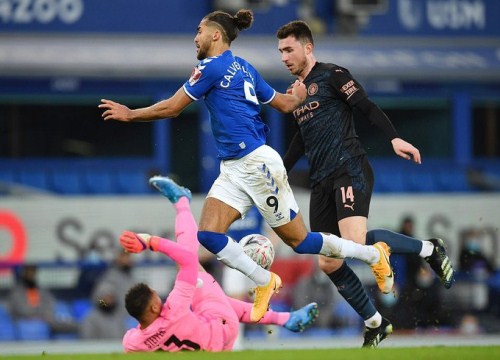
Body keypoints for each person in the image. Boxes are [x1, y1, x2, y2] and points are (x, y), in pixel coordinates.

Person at [99, 8, 393, 323]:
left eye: (199, 31)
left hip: (257, 164)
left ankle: (374, 254)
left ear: (215, 34)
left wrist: (131, 114)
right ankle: (265, 280)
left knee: (301, 242)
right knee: (208, 236)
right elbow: (282, 104)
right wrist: (296, 98)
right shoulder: (245, 67)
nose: (195, 37)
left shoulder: (209, 67)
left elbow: (172, 108)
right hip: (234, 168)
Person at [275, 20, 456, 347]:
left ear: (308, 47)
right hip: (320, 182)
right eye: (281, 51)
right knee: (328, 260)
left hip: (348, 168)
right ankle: (376, 322)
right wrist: (279, 171)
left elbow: (366, 106)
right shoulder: (297, 93)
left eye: (289, 49)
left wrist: (394, 138)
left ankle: (429, 249)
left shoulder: (333, 74)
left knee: (354, 240)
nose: (284, 57)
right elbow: (302, 139)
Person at [119, 177, 318, 352]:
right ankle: (181, 201)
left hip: (217, 348)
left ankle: (284, 319)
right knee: (189, 261)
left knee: (218, 298)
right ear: (154, 308)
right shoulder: (174, 309)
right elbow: (187, 259)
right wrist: (150, 241)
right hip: (222, 326)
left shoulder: (134, 343)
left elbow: (137, 337)